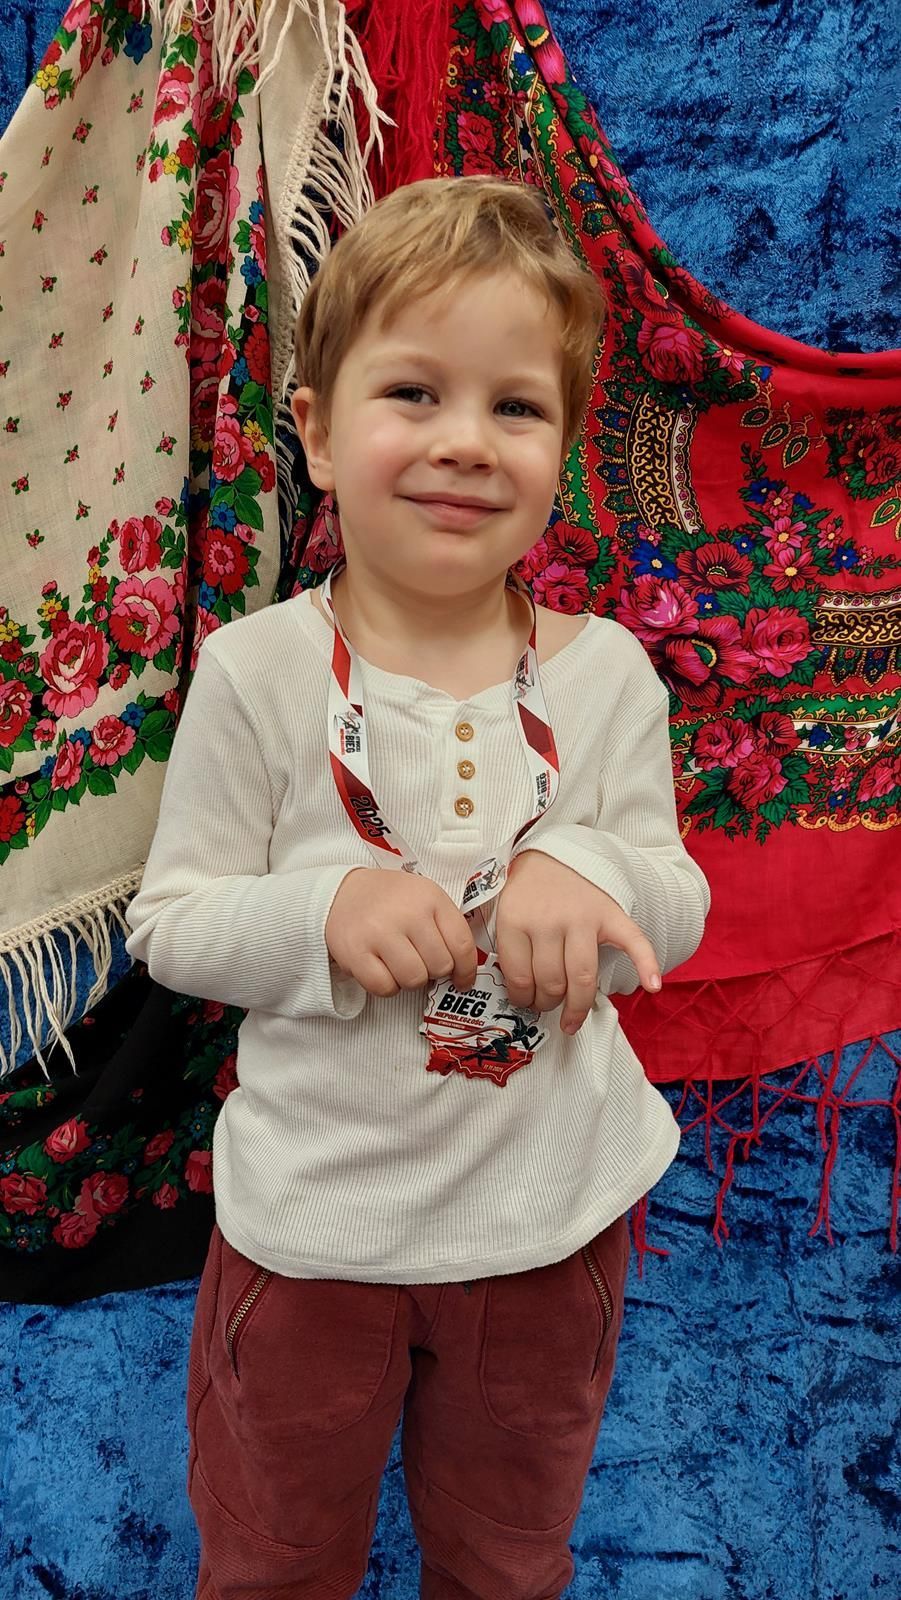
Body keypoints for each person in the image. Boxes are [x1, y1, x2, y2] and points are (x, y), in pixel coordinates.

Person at [124, 175, 710, 1600]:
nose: (464, 442)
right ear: (319, 434)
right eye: (412, 393)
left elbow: (674, 899)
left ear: (563, 451)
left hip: (548, 1229)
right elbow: (172, 922)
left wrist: (585, 864)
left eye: (515, 407)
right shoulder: (257, 672)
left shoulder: (605, 674)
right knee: (272, 1556)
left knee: (510, 1558)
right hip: (312, 1236)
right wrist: (316, 912)